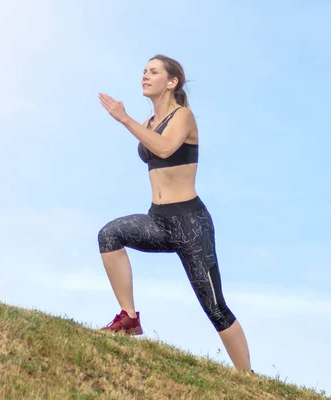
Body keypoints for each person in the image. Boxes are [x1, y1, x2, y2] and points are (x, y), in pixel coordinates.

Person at [96, 54, 252, 373]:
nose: (145, 75)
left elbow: (165, 149)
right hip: (159, 221)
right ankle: (129, 318)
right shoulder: (150, 122)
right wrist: (133, 122)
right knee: (109, 235)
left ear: (171, 82)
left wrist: (125, 119)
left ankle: (248, 379)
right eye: (143, 71)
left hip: (190, 224)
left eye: (153, 72)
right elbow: (153, 143)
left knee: (215, 307)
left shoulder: (183, 116)